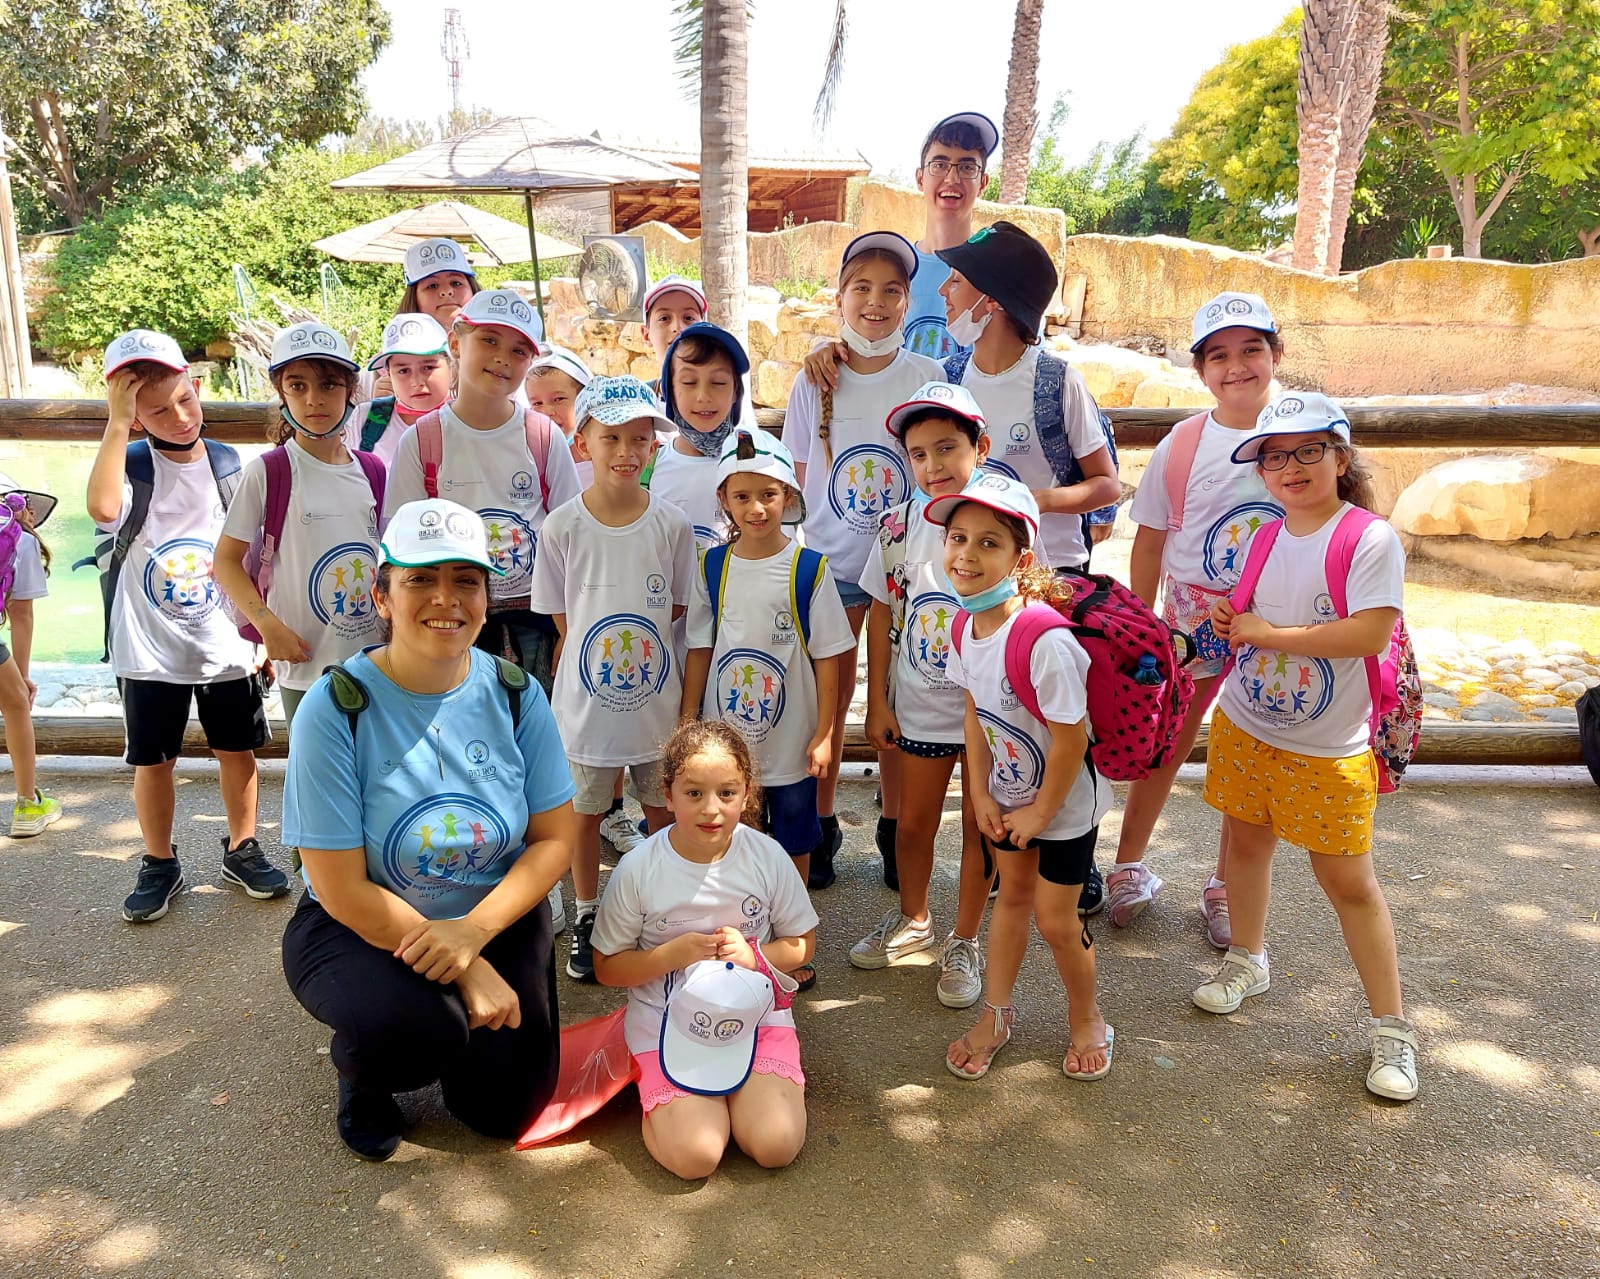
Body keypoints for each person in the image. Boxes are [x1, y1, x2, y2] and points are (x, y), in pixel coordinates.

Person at [281, 498, 577, 1159]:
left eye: (465, 579)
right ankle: (365, 1072)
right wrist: (466, 972)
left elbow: (554, 839)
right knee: (419, 1032)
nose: (446, 597)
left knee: (505, 1110)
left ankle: (460, 1024)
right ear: (382, 594)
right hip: (359, 920)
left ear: (486, 595)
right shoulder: (335, 709)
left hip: (490, 910)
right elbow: (340, 886)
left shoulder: (516, 692)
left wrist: (473, 933)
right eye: (420, 578)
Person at [1200, 393, 1418, 1103]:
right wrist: (1231, 614)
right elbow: (1247, 611)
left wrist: (1265, 633)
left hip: (1328, 746)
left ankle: (1393, 1029)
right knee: (1246, 842)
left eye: (1307, 450)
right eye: (1273, 454)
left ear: (1340, 456)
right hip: (1248, 722)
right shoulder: (1265, 535)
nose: (1289, 466)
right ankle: (1247, 957)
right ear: (1260, 470)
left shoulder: (1369, 539)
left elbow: (1366, 635)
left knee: (1348, 880)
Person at [935, 222, 1120, 910]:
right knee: (996, 712)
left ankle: (1076, 850)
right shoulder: (948, 380)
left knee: (1065, 717)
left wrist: (1024, 504)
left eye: (958, 280)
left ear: (993, 301)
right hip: (982, 585)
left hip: (1055, 584)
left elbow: (1106, 483)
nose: (947, 290)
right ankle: (1002, 844)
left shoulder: (1054, 381)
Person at [88, 330, 283, 923]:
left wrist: (260, 633)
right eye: (155, 410)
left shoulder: (231, 465)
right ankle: (157, 859)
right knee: (153, 760)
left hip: (226, 643)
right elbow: (101, 509)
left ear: (197, 388)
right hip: (150, 648)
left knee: (238, 750)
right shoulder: (127, 465)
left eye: (184, 400)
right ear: (132, 415)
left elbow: (257, 554)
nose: (177, 417)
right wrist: (119, 425)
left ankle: (242, 845)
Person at [931, 474, 1114, 1082]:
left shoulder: (1045, 642)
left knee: (1057, 920)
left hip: (1061, 809)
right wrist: (978, 792)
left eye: (989, 543)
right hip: (1006, 798)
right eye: (958, 537)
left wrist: (1039, 814)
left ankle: (1087, 1018)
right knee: (1009, 899)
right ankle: (996, 1015)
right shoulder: (963, 625)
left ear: (1021, 558)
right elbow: (973, 715)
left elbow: (1072, 738)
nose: (966, 554)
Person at [1115, 293, 1286, 944]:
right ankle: (1129, 862)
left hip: (1279, 618)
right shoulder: (1184, 443)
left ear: (1275, 354)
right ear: (1201, 368)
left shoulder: (1299, 436)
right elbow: (1151, 539)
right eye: (1219, 355)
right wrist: (1141, 625)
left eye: (1251, 350)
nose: (1237, 366)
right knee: (1168, 737)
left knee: (1250, 750)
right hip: (1192, 612)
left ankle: (1226, 882)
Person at [785, 231, 944, 888]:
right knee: (827, 694)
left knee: (897, 696)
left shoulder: (926, 378)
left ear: (908, 301)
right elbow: (800, 472)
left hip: (905, 572)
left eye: (891, 290)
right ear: (840, 297)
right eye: (862, 288)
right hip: (832, 565)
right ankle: (819, 823)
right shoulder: (815, 376)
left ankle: (895, 821)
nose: (875, 302)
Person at [591, 720, 816, 1181]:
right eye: (693, 793)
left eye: (727, 793)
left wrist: (754, 956)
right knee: (697, 1157)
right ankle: (670, 1091)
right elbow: (607, 968)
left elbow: (802, 945)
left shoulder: (767, 856)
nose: (711, 809)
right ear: (667, 795)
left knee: (776, 1145)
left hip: (753, 1018)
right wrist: (670, 956)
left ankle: (737, 1099)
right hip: (665, 1019)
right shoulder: (638, 870)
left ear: (747, 794)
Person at [529, 375, 696, 983]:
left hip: (657, 706)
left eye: (639, 438)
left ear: (655, 445)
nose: (626, 451)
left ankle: (658, 910)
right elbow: (561, 614)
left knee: (660, 806)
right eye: (611, 438)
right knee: (584, 812)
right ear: (584, 444)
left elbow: (677, 606)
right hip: (584, 709)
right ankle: (588, 912)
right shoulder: (562, 527)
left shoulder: (672, 525)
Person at [854, 384, 997, 1010]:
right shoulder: (896, 526)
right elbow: (884, 611)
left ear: (979, 447)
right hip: (917, 703)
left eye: (947, 448)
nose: (933, 466)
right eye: (918, 454)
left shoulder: (1005, 522)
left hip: (990, 711)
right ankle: (915, 920)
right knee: (911, 823)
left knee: (978, 826)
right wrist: (878, 702)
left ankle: (966, 938)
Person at [682, 428, 855, 926]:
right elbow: (700, 644)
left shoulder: (807, 569)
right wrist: (690, 721)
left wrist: (824, 735)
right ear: (724, 500)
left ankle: (792, 926)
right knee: (740, 828)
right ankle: (745, 920)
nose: (756, 508)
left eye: (768, 495)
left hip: (791, 740)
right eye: (742, 496)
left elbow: (828, 658)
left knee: (795, 835)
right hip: (729, 740)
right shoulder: (713, 566)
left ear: (789, 497)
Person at [384, 289, 582, 693]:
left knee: (535, 729)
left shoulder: (543, 437)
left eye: (518, 351)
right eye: (488, 340)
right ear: (456, 341)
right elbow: (397, 547)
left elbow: (573, 540)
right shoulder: (423, 440)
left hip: (537, 624)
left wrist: (570, 629)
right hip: (450, 619)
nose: (501, 358)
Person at [215, 322, 383, 730]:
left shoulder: (373, 470)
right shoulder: (270, 472)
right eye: (298, 386)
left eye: (328, 385)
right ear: (281, 393)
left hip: (375, 657)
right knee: (316, 778)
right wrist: (267, 624)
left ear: (350, 391)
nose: (314, 400)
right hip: (304, 661)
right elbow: (225, 561)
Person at [804, 111, 998, 391]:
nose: (952, 178)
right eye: (940, 164)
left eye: (967, 167)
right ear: (920, 178)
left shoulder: (996, 275)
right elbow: (862, 343)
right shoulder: (897, 268)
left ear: (983, 182)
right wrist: (824, 350)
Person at [652, 322, 750, 554]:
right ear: (670, 390)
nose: (704, 396)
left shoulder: (760, 461)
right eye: (688, 382)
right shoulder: (650, 469)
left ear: (736, 391)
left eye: (718, 383)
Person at [0, 475, 61, 836]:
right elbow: (21, 616)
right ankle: (27, 804)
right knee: (17, 705)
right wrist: (20, 678)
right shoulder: (19, 541)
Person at [355, 313, 453, 466]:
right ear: (388, 374)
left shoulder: (473, 421)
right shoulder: (363, 419)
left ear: (451, 366)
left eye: (428, 367)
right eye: (403, 371)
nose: (417, 382)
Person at [525, 347, 594, 484]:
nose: (547, 412)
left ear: (584, 400)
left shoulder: (602, 459)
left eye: (558, 399)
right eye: (538, 403)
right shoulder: (531, 460)